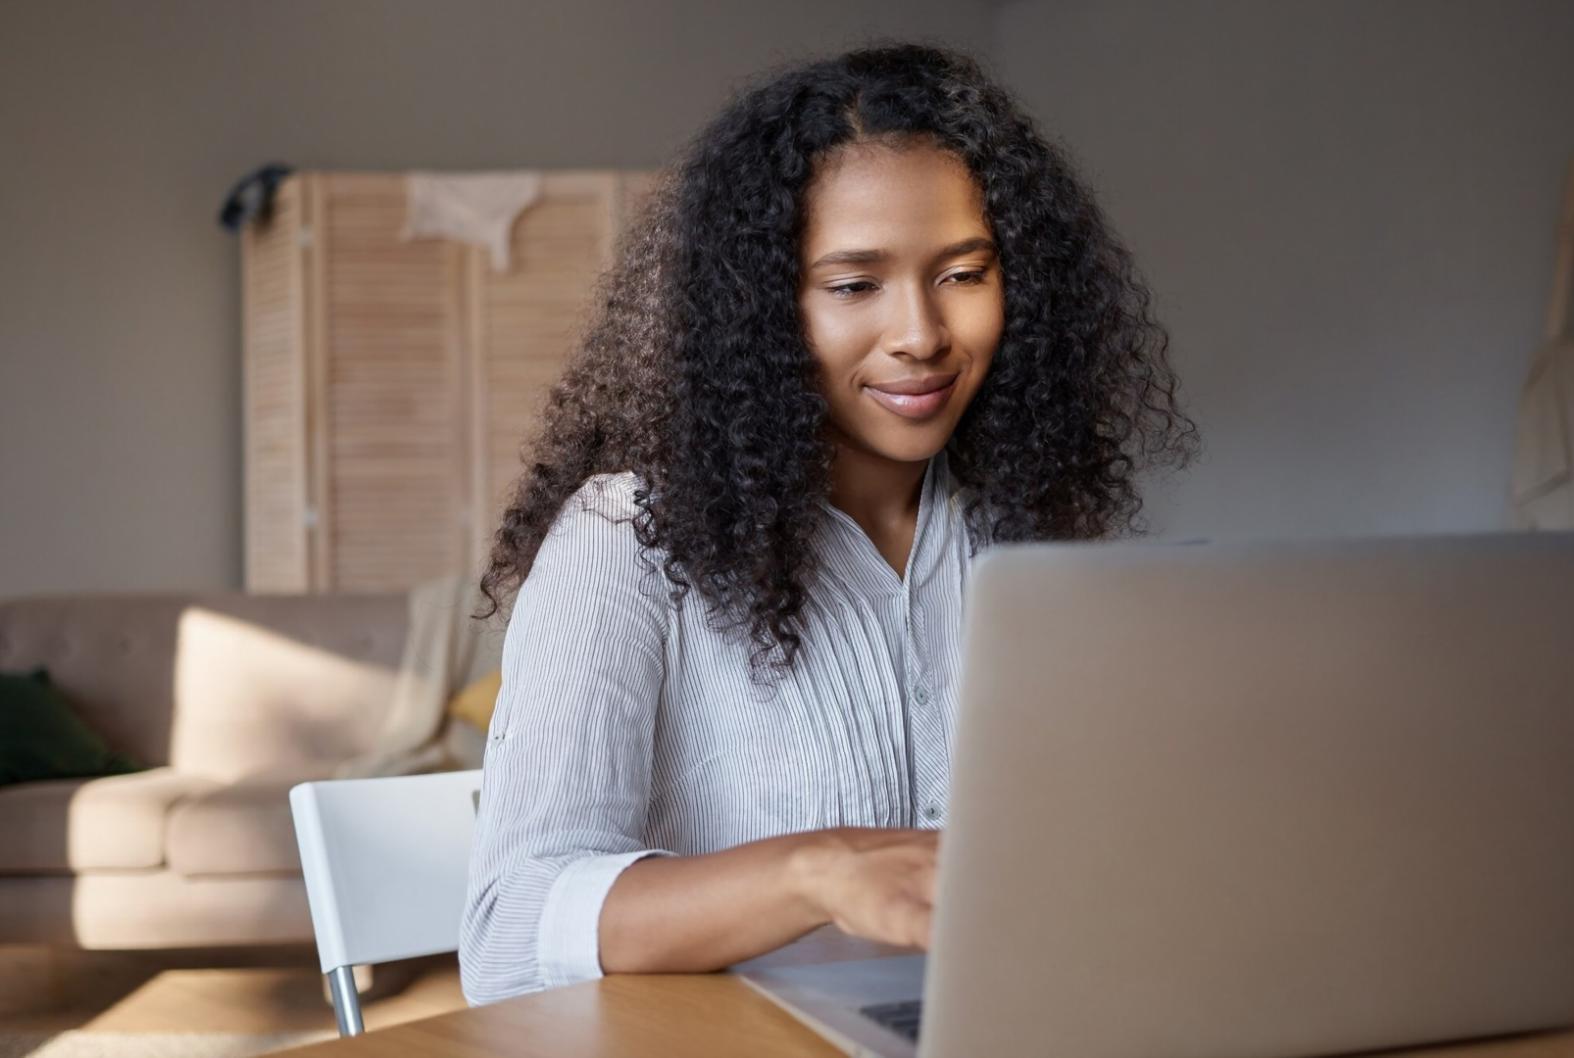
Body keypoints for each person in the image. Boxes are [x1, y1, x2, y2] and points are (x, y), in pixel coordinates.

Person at [460, 41, 1197, 1005]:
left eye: (964, 274)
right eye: (855, 286)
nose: (922, 334)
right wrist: (816, 870)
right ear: (757, 312)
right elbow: (511, 930)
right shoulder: (626, 539)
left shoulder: (1037, 535)